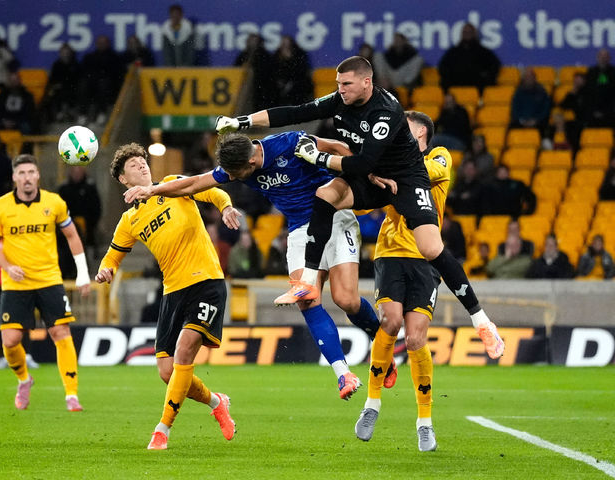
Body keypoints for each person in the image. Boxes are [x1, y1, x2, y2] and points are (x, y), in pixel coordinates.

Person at [215, 55, 504, 359]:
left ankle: (481, 321)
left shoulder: (386, 111)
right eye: (338, 84)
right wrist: (242, 122)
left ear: (367, 82)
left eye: (346, 84)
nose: (340, 89)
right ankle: (309, 280)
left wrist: (319, 158)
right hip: (372, 178)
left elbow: (363, 161)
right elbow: (296, 112)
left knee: (431, 248)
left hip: (405, 179)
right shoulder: (342, 99)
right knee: (325, 194)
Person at [126, 131, 389, 399]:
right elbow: (194, 184)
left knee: (346, 300)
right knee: (307, 299)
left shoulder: (289, 143)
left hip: (335, 217)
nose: (234, 179)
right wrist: (153, 190)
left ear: (251, 162)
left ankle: (382, 343)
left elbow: (336, 145)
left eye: (236, 174)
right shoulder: (236, 164)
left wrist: (367, 174)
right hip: (300, 229)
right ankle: (343, 374)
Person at [95, 142, 238, 450]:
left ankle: (162, 429)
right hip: (172, 291)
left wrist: (225, 207)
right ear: (123, 179)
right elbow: (113, 255)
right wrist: (106, 270)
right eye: (133, 165)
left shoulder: (173, 185)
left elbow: (213, 190)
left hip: (206, 281)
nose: (141, 165)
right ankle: (217, 402)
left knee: (185, 349)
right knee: (167, 372)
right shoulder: (129, 220)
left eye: (142, 161)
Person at [355, 110, 448, 451]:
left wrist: (384, 165)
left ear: (421, 132)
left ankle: (425, 422)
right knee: (390, 321)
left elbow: (429, 171)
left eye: (404, 128)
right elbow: (363, 204)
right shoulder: (392, 162)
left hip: (426, 258)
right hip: (391, 252)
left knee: (415, 339)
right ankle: (372, 404)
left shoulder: (440, 157)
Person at [0, 154, 91, 411]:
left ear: (38, 175)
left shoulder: (54, 202)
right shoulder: (0, 207)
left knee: (61, 333)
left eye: (31, 172)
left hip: (49, 279)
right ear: (14, 177)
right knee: (10, 341)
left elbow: (72, 235)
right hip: (16, 283)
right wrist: (7, 267)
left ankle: (71, 395)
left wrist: (83, 273)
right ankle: (24, 380)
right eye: (21, 173)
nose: (27, 178)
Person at [0, 226, 38, 370]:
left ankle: (26, 355)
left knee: (23, 320)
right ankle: (2, 356)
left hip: (17, 283)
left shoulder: (17, 228)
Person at [438, 23, 500, 92]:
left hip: (477, 80)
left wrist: (485, 75)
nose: (467, 34)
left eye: (469, 32)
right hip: (457, 80)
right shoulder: (453, 52)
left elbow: (495, 65)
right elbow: (443, 66)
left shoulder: (483, 52)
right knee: (444, 82)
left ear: (474, 34)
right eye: (465, 32)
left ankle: (481, 98)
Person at [57, 166, 102, 259]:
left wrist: (92, 222)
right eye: (74, 172)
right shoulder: (64, 189)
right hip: (68, 223)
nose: (76, 174)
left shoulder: (90, 188)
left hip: (88, 225)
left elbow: (96, 207)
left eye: (79, 172)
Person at [79, 35, 123, 125]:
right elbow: (84, 72)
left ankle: (102, 112)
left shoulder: (114, 57)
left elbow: (116, 74)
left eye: (103, 43)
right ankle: (83, 114)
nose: (101, 45)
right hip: (92, 83)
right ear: (96, 44)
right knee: (83, 85)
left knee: (103, 84)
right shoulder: (90, 57)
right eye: (99, 43)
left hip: (109, 85)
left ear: (108, 44)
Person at [234, 33, 274, 111]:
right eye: (251, 40)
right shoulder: (244, 54)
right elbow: (236, 68)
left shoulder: (264, 55)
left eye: (255, 41)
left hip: (261, 87)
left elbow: (267, 71)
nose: (253, 43)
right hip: (244, 87)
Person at [42, 43, 81, 123]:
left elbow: (77, 78)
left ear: (71, 53)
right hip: (58, 89)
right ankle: (57, 114)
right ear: (60, 53)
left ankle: (70, 111)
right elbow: (52, 79)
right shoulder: (56, 65)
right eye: (63, 52)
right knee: (50, 94)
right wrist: (55, 85)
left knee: (68, 92)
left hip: (72, 88)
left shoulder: (75, 64)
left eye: (67, 52)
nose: (65, 54)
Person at [272, 35, 314, 106]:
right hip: (282, 86)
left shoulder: (299, 54)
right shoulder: (276, 56)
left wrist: (289, 60)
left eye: (287, 44)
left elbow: (300, 72)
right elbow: (275, 72)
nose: (285, 47)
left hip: (298, 85)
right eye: (283, 44)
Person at [510, 67, 551, 133]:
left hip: (538, 122)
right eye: (527, 77)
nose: (529, 79)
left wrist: (536, 120)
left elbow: (545, 110)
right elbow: (515, 109)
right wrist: (522, 121)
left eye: (530, 76)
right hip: (521, 122)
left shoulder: (542, 92)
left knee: (546, 128)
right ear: (523, 79)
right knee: (511, 127)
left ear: (534, 78)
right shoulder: (518, 93)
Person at [584, 49, 615, 127]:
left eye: (605, 56)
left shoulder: (613, 71)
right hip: (593, 108)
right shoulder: (591, 71)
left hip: (610, 108)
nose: (603, 58)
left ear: (609, 58)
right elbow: (588, 91)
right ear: (597, 58)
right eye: (601, 56)